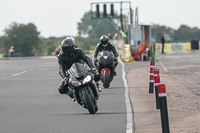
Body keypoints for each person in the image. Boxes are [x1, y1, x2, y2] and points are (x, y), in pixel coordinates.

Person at [57, 36, 101, 101]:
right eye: (65, 49)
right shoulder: (61, 56)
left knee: (97, 75)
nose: (67, 51)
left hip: (82, 69)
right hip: (70, 73)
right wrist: (65, 77)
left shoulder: (78, 51)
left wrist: (93, 68)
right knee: (61, 89)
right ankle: (72, 95)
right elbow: (61, 68)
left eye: (68, 48)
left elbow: (87, 59)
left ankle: (96, 85)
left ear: (72, 47)